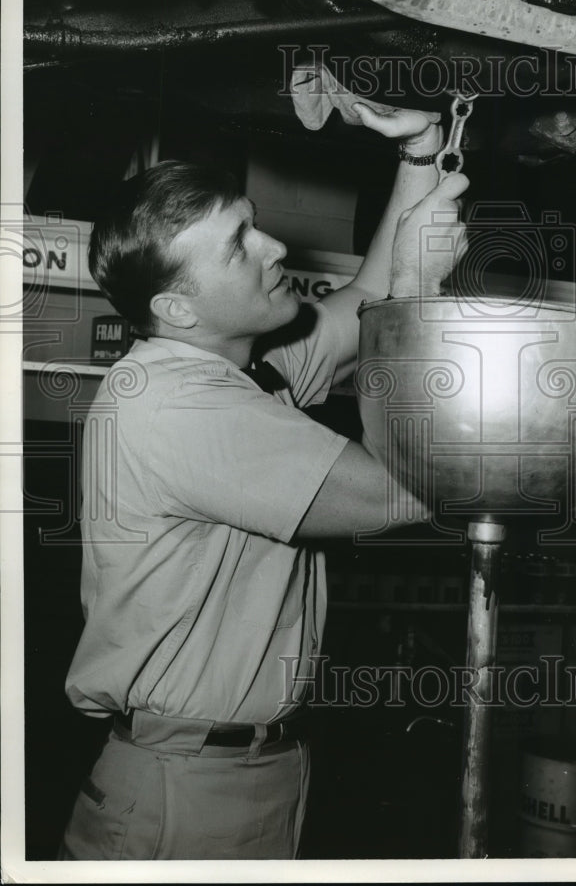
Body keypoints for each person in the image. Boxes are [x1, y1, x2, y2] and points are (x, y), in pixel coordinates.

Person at [59, 103, 469, 860]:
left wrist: (419, 153)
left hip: (246, 765)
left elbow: (368, 300)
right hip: (184, 790)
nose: (276, 244)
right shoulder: (175, 403)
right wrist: (421, 283)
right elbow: (397, 494)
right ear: (176, 309)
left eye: (254, 222)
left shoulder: (249, 370)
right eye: (238, 244)